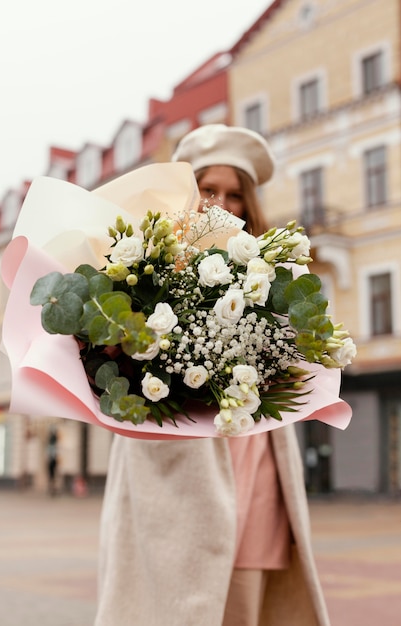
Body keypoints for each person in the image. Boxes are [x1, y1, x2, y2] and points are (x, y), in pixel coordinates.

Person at [94, 125, 331, 626]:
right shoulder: (142, 262)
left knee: (244, 601)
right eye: (208, 189)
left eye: (234, 194)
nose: (221, 203)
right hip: (168, 474)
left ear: (249, 205)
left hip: (254, 457)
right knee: (163, 603)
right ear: (188, 190)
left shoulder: (273, 276)